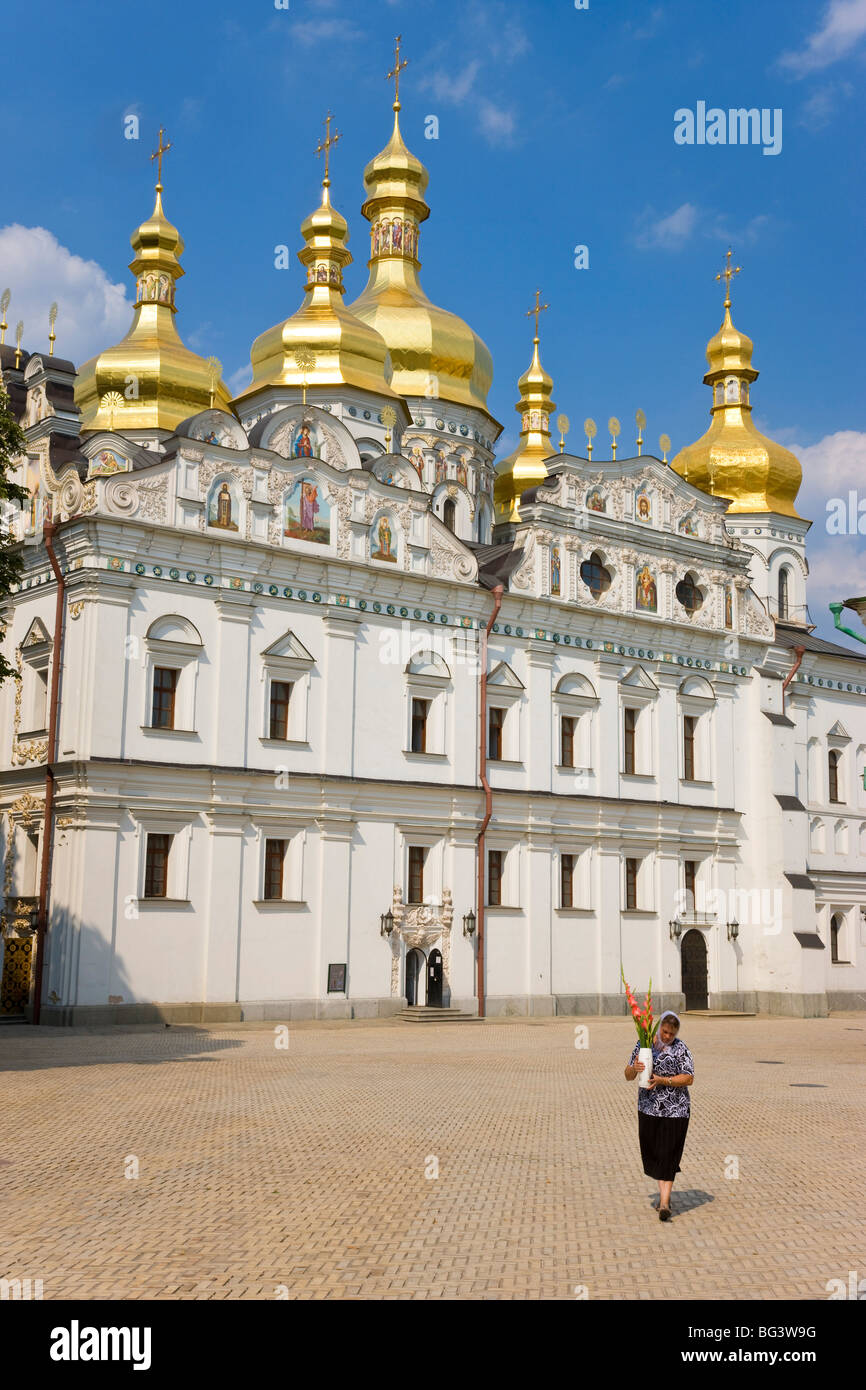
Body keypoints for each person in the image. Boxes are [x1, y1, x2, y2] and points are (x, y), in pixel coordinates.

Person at [624, 1010, 694, 1220]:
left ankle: (664, 1203)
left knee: (669, 1154)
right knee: (654, 1151)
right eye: (664, 1032)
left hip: (676, 1110)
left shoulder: (681, 1048)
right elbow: (628, 1075)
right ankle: (664, 1197)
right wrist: (634, 1068)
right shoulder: (644, 1044)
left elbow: (689, 1078)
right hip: (648, 1108)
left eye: (671, 1034)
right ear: (659, 1027)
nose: (667, 1037)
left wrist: (664, 1080)